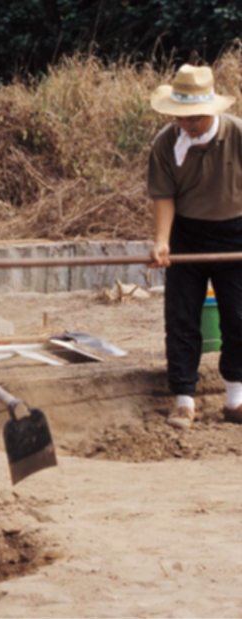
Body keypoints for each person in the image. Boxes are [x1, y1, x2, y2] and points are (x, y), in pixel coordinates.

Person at [147, 63, 242, 430]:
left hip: (235, 233)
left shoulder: (236, 134)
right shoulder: (165, 144)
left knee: (238, 317)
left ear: (213, 111)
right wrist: (162, 242)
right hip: (187, 234)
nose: (187, 125)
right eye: (181, 118)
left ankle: (235, 400)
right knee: (182, 318)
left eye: (196, 119)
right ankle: (184, 401)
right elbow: (163, 196)